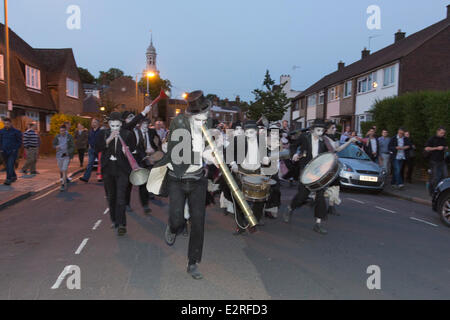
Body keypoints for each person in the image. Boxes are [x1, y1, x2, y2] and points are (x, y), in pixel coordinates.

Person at [147, 90, 216, 280]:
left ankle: (193, 262)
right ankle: (173, 225)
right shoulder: (179, 124)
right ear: (192, 114)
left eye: (206, 114)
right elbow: (179, 153)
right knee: (177, 218)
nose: (205, 118)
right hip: (178, 177)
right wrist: (202, 153)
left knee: (198, 223)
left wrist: (213, 155)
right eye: (201, 115)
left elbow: (209, 147)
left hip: (197, 180)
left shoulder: (208, 124)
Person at [283, 119, 332, 234]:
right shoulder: (304, 137)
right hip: (305, 170)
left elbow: (326, 156)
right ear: (312, 129)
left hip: (317, 172)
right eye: (318, 130)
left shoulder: (323, 141)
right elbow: (293, 145)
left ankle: (318, 223)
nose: (320, 132)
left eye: (322, 130)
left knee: (320, 196)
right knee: (302, 196)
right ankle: (290, 208)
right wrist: (294, 154)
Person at [96, 112, 136, 236]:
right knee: (111, 197)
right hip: (108, 169)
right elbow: (98, 148)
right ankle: (114, 220)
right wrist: (109, 139)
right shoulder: (103, 134)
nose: (115, 128)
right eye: (112, 126)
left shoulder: (127, 134)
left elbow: (133, 149)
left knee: (120, 197)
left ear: (121, 124)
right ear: (109, 124)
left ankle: (122, 224)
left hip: (122, 170)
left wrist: (126, 151)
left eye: (117, 126)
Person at [323, 122, 357, 216]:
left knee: (335, 185)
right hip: (325, 166)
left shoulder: (334, 138)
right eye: (333, 128)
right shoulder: (324, 138)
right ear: (327, 129)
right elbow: (332, 151)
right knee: (322, 187)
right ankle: (314, 200)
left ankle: (331, 206)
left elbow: (338, 149)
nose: (335, 129)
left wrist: (349, 141)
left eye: (335, 128)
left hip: (333, 165)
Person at [425, 127, 448, 194]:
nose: (443, 134)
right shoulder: (432, 139)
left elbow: (446, 147)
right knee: (435, 178)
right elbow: (426, 148)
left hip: (442, 160)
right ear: (437, 132)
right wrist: (436, 148)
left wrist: (445, 148)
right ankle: (432, 192)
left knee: (445, 176)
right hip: (434, 160)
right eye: (441, 133)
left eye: (444, 133)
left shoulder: (444, 139)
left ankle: (441, 191)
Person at [0, 118, 22, 185]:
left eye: (7, 124)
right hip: (4, 151)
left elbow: (19, 142)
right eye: (5, 124)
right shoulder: (1, 131)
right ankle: (14, 176)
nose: (6, 125)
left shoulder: (16, 132)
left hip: (12, 152)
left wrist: (15, 149)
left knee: (10, 165)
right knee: (8, 165)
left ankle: (8, 179)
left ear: (11, 123)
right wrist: (1, 149)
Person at [53, 125, 74, 192]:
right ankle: (65, 180)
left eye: (63, 131)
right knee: (61, 170)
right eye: (60, 131)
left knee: (64, 169)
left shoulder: (69, 137)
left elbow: (72, 146)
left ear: (65, 130)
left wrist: (68, 152)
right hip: (59, 156)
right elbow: (53, 144)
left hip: (66, 155)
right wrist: (56, 146)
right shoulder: (57, 136)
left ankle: (62, 184)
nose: (61, 132)